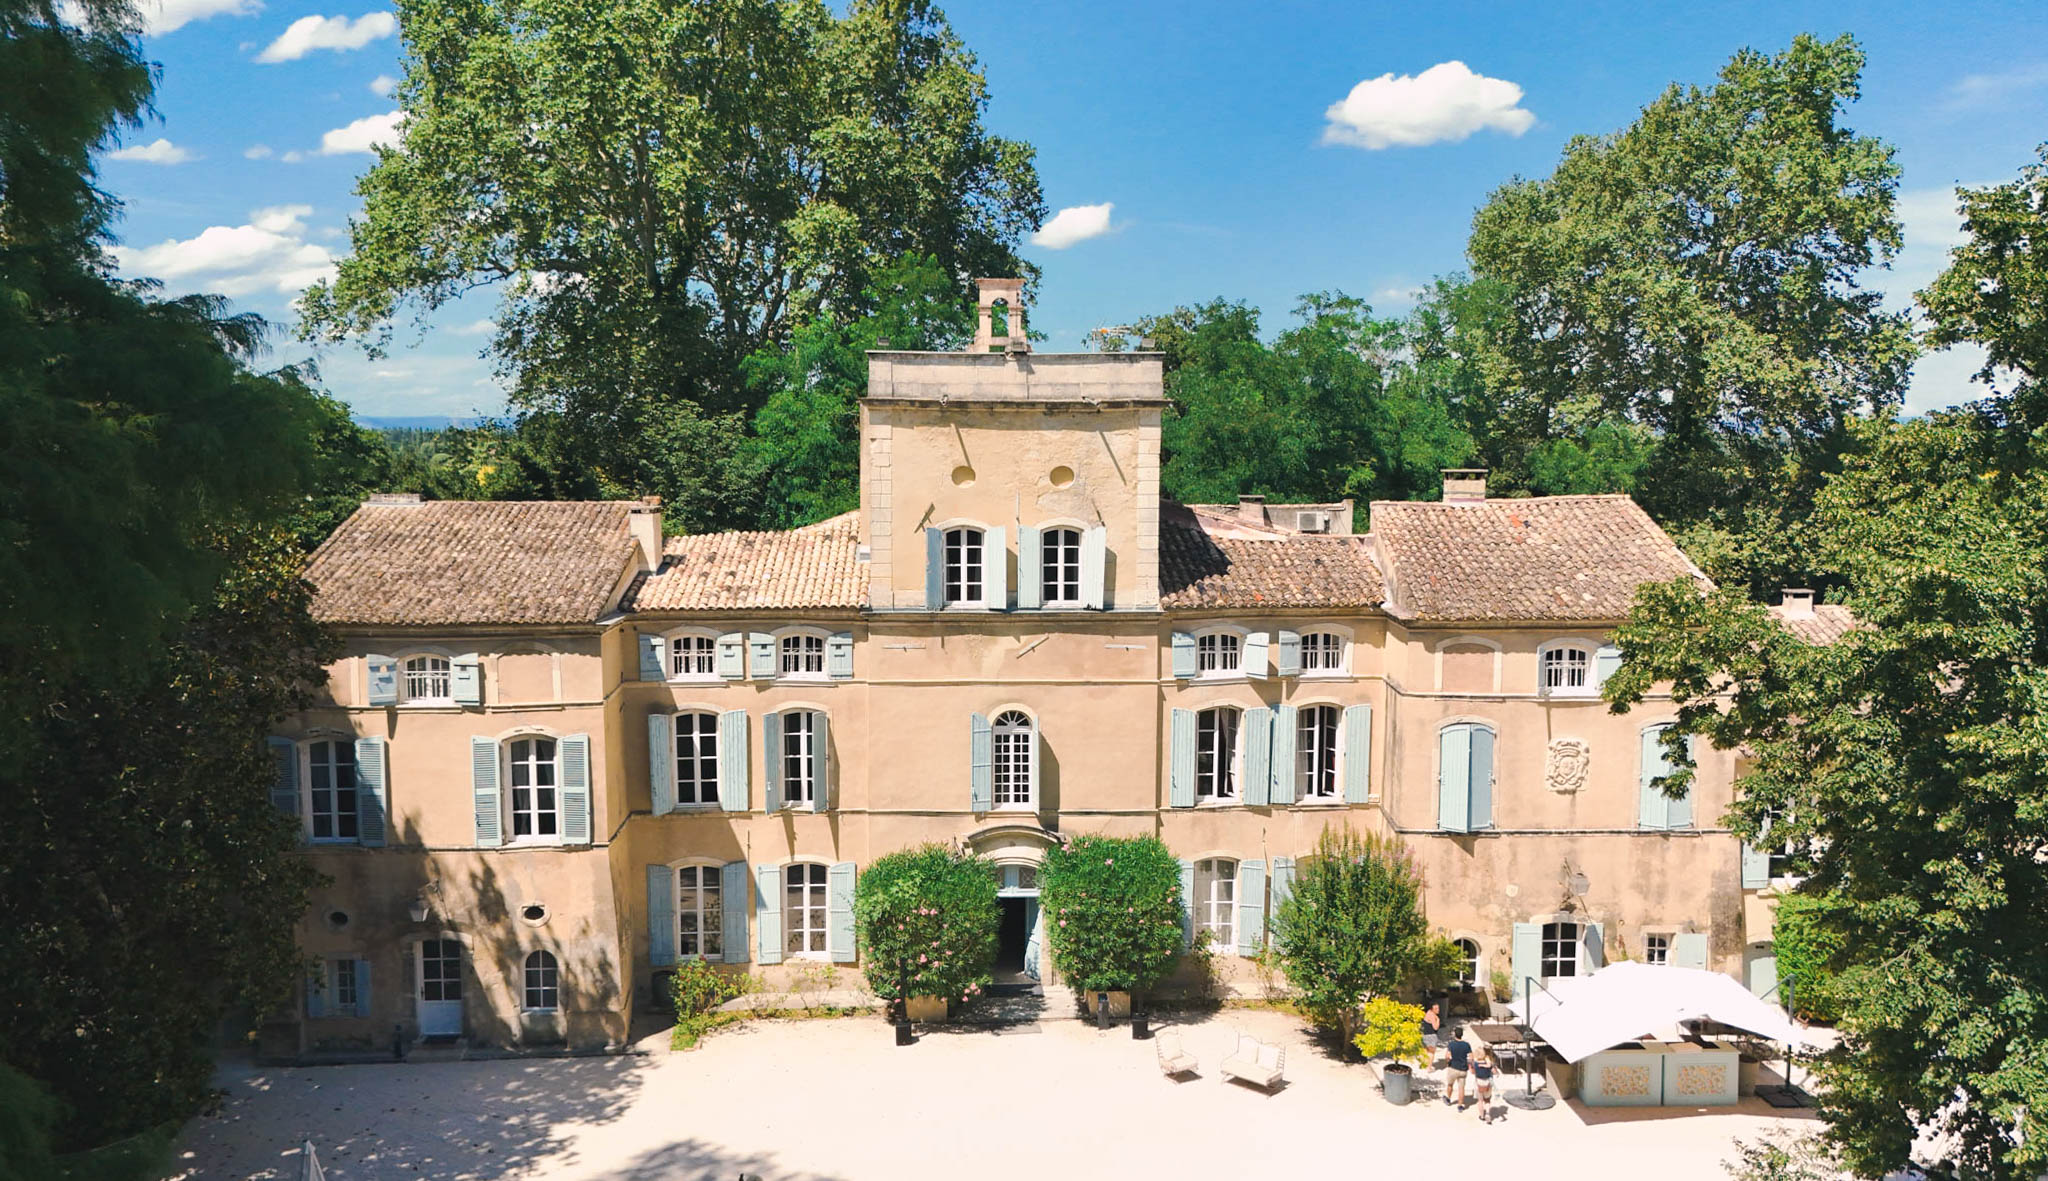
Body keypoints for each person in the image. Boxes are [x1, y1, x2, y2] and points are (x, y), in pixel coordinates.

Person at [1443, 1024, 1472, 1109]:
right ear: (1462, 1034)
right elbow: (1471, 1057)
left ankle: (1448, 1099)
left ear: (1455, 1034)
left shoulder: (1451, 1044)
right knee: (1461, 1088)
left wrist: (1448, 1062)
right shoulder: (1466, 1045)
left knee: (1450, 1085)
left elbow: (1447, 1056)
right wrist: (1469, 1065)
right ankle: (1460, 1105)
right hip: (1463, 1069)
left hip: (1453, 1068)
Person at [1472, 1044, 1496, 1123]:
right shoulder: (1488, 1063)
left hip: (1479, 1082)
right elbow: (1493, 1070)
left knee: (1480, 1101)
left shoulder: (1475, 1064)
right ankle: (1488, 1114)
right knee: (1487, 1100)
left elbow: (1472, 1072)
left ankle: (1482, 1116)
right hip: (1487, 1082)